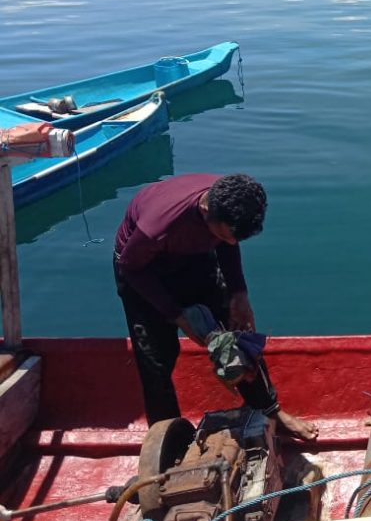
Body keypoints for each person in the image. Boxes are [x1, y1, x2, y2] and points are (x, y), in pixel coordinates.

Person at [113, 172, 318, 440]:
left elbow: (228, 242)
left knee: (238, 337)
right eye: (226, 235)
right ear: (206, 210)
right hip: (143, 272)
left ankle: (270, 410)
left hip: (194, 255)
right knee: (156, 361)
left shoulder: (228, 202)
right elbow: (130, 267)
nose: (232, 242)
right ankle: (167, 438)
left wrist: (239, 293)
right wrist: (176, 316)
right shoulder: (159, 226)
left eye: (236, 238)